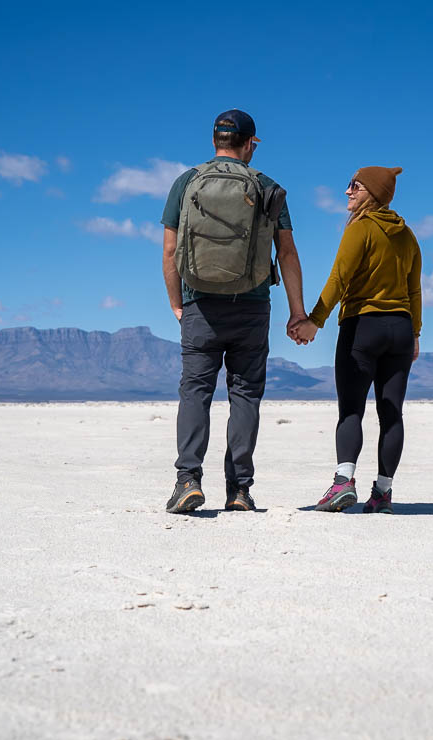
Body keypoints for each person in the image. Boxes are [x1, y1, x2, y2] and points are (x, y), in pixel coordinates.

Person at [161, 109, 307, 514]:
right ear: (249, 145)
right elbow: (288, 253)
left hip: (200, 306)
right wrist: (297, 312)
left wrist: (177, 303)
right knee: (244, 396)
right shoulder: (267, 187)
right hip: (252, 306)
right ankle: (239, 489)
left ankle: (188, 479)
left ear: (214, 142)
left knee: (195, 392)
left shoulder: (185, 183)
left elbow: (170, 251)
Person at [289, 166, 421, 514]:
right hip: (401, 330)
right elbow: (414, 290)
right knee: (391, 414)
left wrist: (314, 321)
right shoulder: (408, 235)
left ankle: (343, 484)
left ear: (373, 193)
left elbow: (339, 278)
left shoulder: (360, 228)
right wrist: (416, 333)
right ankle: (383, 494)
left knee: (351, 410)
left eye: (355, 186)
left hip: (363, 326)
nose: (347, 191)